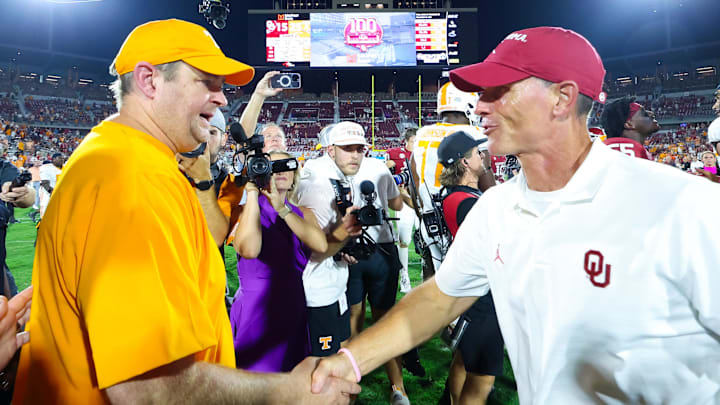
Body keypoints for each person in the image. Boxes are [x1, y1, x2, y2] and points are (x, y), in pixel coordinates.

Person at [310, 26, 720, 404]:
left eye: (498, 90)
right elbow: (436, 300)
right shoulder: (496, 207)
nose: (480, 105)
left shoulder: (684, 206)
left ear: (562, 98)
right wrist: (348, 360)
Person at [14, 18, 359, 404]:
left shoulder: (143, 162)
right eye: (206, 82)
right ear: (149, 81)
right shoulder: (127, 176)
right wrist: (287, 391)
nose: (222, 98)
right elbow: (147, 386)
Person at [230, 151, 329, 372]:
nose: (280, 171)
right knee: (253, 380)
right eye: (272, 166)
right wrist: (253, 193)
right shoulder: (244, 212)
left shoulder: (304, 213)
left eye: (287, 165)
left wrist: (282, 209)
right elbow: (249, 249)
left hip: (292, 303)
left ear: (295, 174)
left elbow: (320, 246)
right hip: (255, 308)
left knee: (290, 379)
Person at [345, 128, 410, 405]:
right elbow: (396, 202)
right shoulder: (379, 166)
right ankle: (398, 389)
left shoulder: (329, 170)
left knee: (353, 320)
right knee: (384, 320)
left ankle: (348, 384)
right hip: (381, 249)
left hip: (352, 251)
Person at [436, 131, 500, 405]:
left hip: (468, 287)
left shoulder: (460, 194)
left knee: (464, 358)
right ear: (464, 162)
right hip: (478, 292)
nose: (483, 156)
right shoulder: (466, 201)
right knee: (481, 372)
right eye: (476, 153)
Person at [295, 122, 369, 359]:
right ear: (331, 150)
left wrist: (343, 249)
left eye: (360, 149)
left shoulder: (337, 176)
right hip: (315, 289)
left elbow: (328, 238)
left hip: (333, 282)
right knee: (320, 365)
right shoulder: (317, 184)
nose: (355, 155)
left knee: (338, 354)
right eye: (348, 149)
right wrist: (345, 234)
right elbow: (314, 249)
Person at [411, 82, 484, 280]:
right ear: (469, 105)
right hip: (462, 219)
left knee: (436, 288)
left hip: (429, 224)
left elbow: (413, 186)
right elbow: (489, 188)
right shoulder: (473, 135)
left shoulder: (421, 135)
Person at [385, 128, 417, 293]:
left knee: (426, 239)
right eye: (414, 141)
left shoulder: (424, 155)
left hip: (422, 200)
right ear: (406, 141)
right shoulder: (394, 154)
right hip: (404, 200)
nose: (417, 144)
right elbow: (386, 173)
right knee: (404, 240)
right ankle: (404, 275)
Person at [37, 153, 63, 219]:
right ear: (53, 159)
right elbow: (45, 183)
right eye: (60, 158)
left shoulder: (65, 168)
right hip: (47, 192)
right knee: (45, 209)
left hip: (59, 192)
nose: (62, 160)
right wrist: (52, 192)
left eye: (62, 158)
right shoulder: (47, 168)